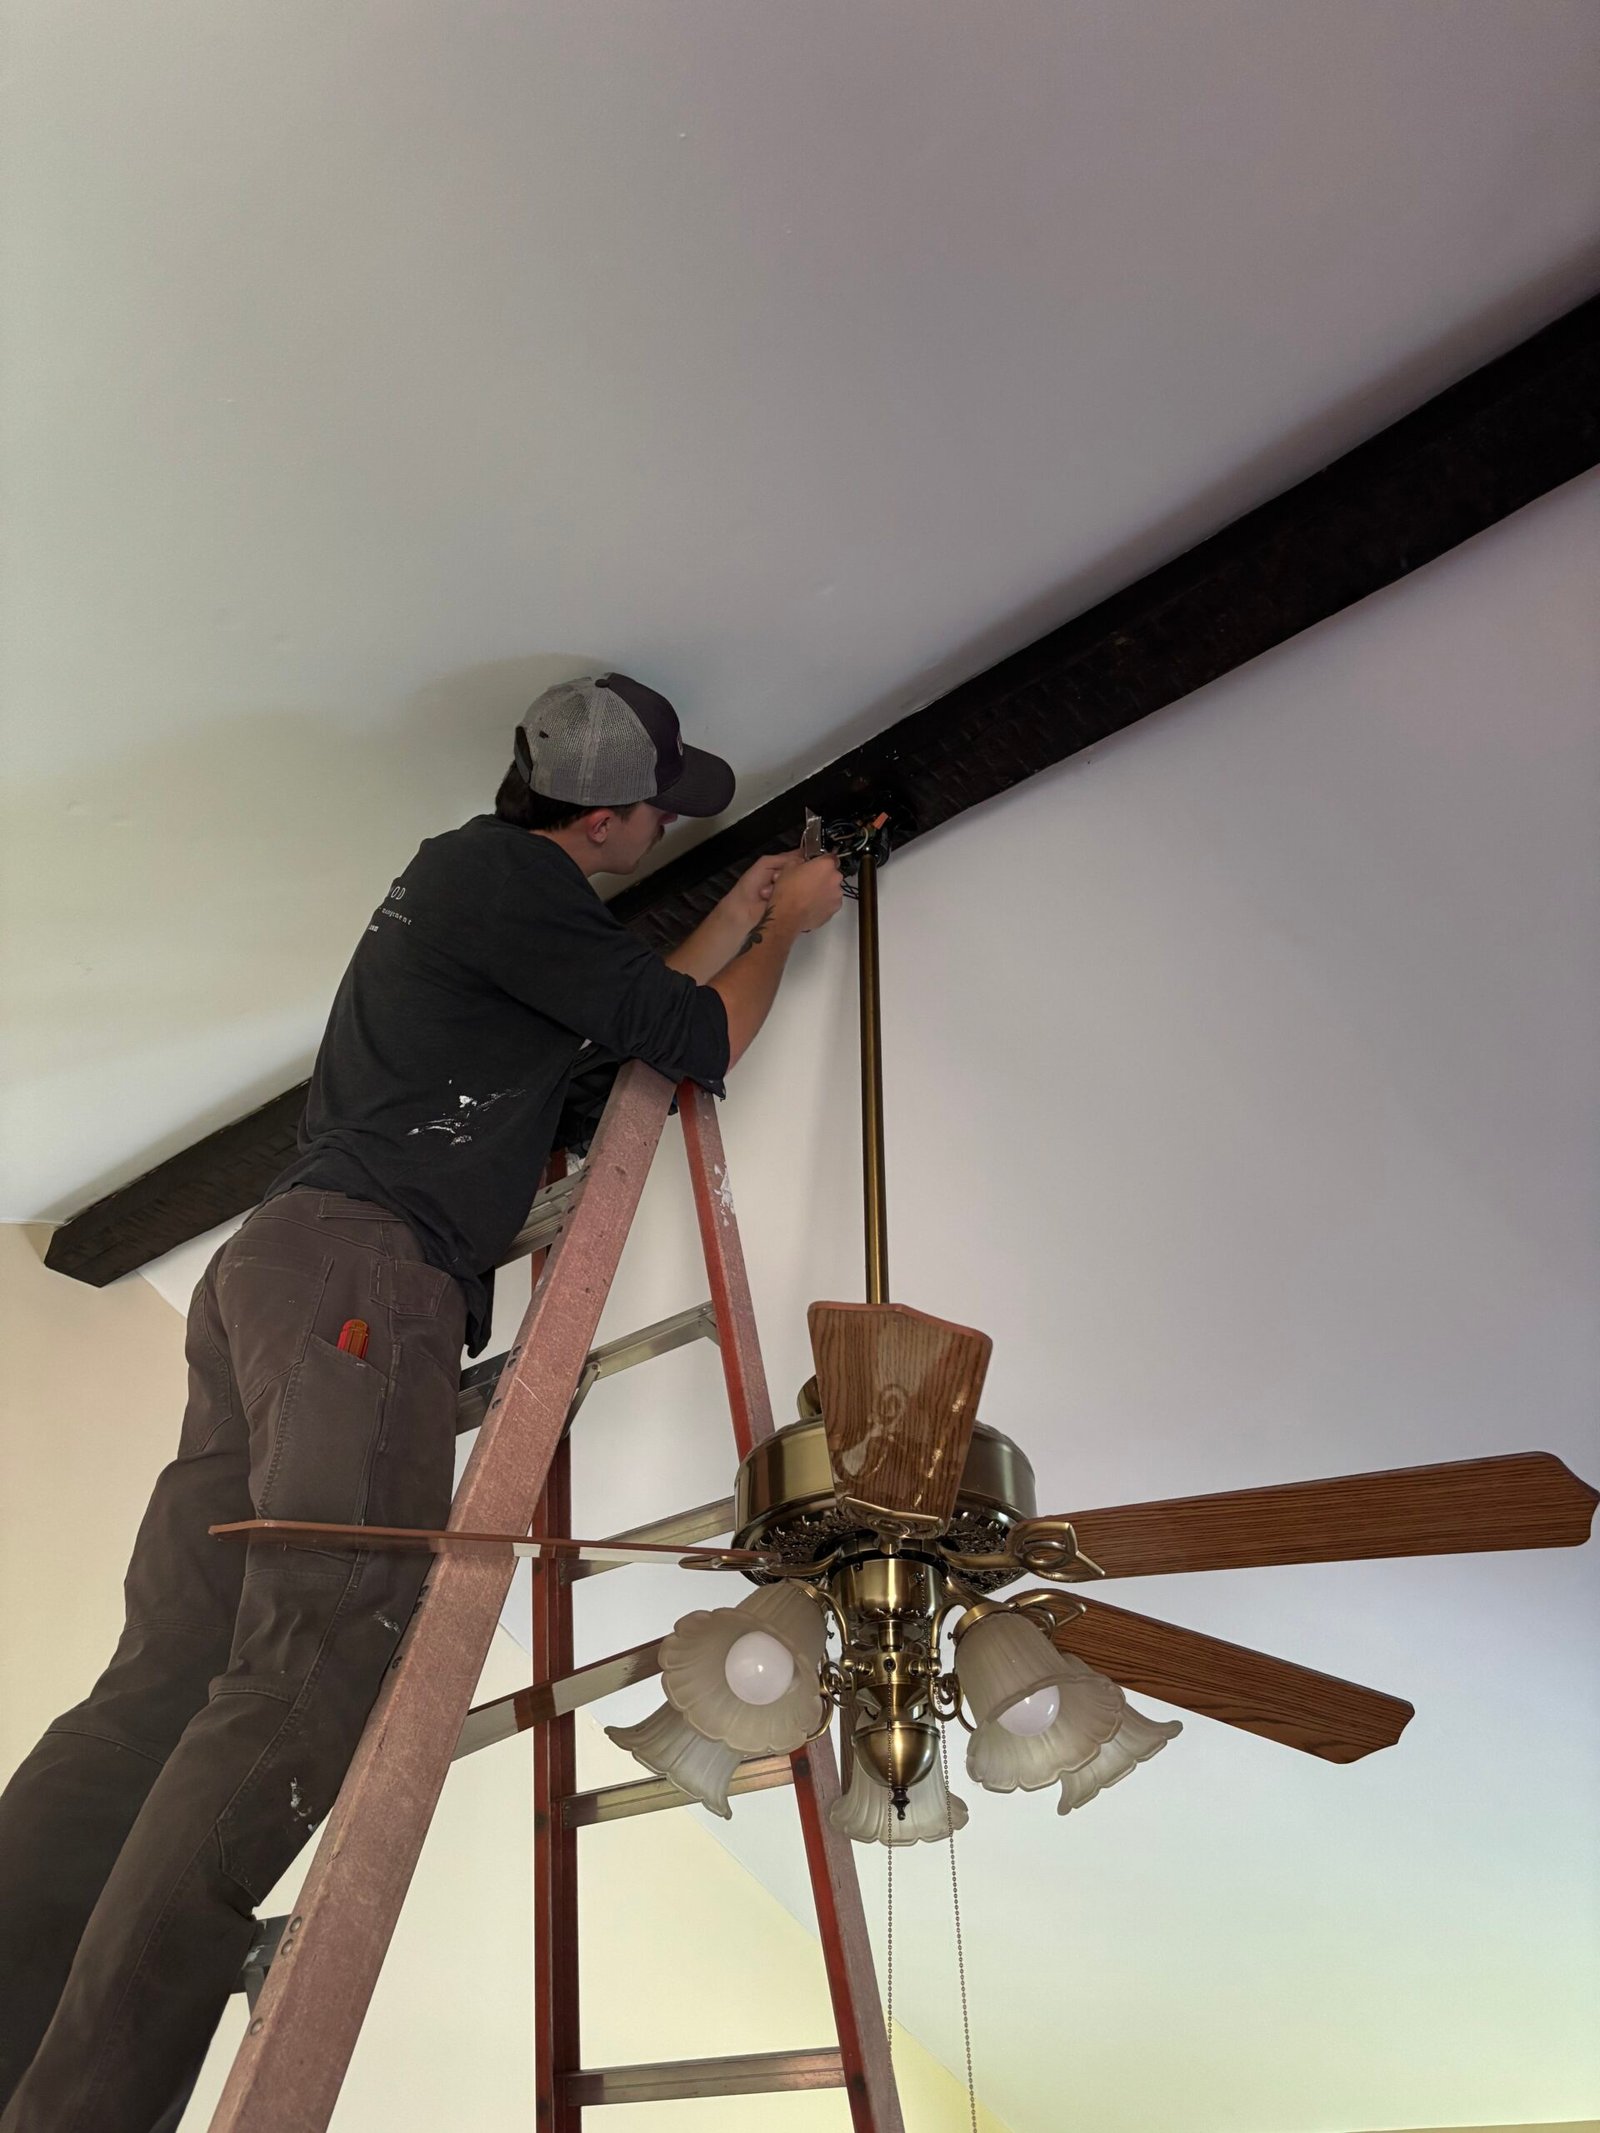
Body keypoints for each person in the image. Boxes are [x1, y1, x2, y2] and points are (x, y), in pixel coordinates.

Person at [0, 672, 844, 2133]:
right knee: (311, 1665)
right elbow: (696, 1038)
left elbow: (632, 1019)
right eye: (656, 807)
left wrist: (741, 914)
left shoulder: (480, 897)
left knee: (168, 1677)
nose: (664, 825)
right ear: (603, 820)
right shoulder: (506, 882)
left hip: (276, 1271)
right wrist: (794, 928)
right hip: (365, 1278)